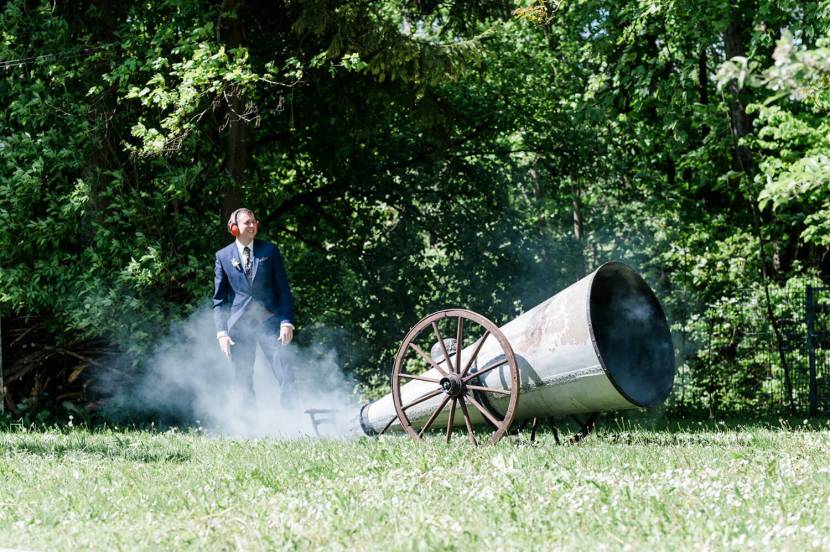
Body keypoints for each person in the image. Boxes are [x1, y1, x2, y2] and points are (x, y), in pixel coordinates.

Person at [212, 208, 295, 405]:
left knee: (285, 373)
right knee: (242, 378)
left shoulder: (269, 251)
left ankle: (292, 421)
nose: (252, 226)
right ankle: (248, 427)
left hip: (270, 322)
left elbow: (283, 290)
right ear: (234, 228)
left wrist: (286, 322)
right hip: (240, 326)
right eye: (247, 222)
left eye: (254, 222)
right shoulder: (223, 256)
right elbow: (219, 300)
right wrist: (222, 333)